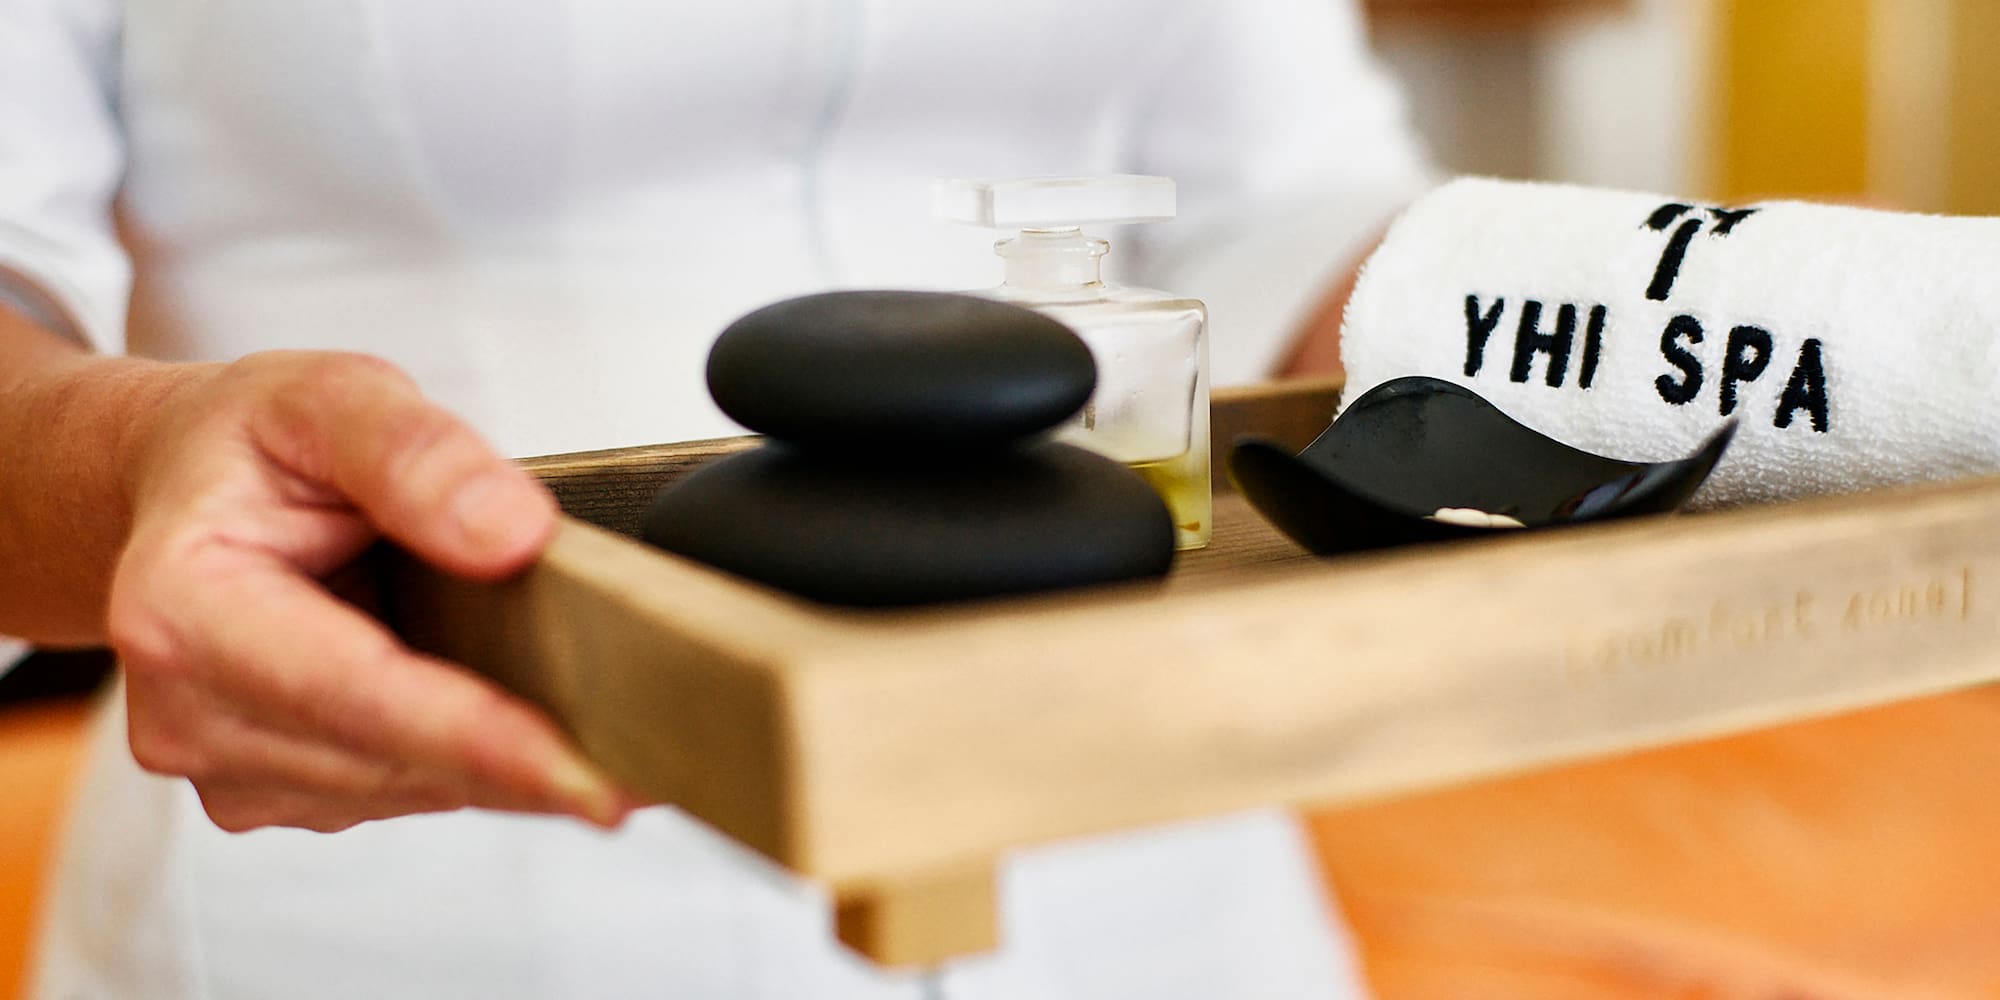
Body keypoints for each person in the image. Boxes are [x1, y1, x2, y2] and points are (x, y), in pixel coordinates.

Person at [1, 1, 1434, 996]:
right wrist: (133, 457)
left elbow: (1286, 213)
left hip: (1156, 892)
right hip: (407, 893)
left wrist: (1570, 334)